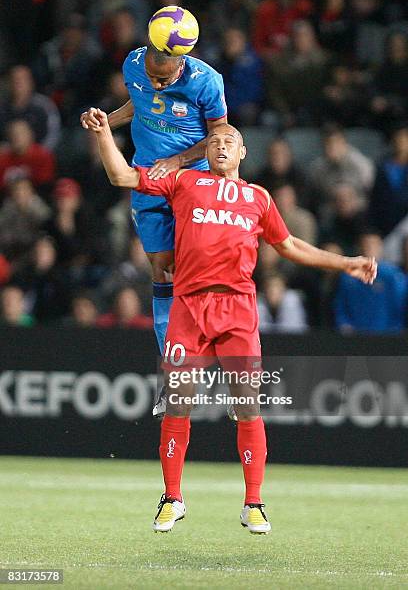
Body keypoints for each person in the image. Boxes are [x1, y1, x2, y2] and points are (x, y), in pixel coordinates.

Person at [91, 108, 377, 534]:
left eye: (230, 140)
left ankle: (254, 503)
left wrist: (346, 263)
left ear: (243, 151)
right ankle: (172, 497)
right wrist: (102, 134)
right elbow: (123, 177)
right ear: (206, 151)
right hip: (189, 307)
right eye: (215, 141)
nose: (221, 144)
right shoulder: (186, 181)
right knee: (177, 402)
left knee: (247, 405)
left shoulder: (258, 198)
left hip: (238, 310)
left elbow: (291, 245)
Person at [81, 7, 227, 411]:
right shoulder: (133, 64)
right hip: (149, 182)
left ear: (181, 62)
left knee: (199, 272)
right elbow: (139, 104)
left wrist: (179, 161)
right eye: (154, 75)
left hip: (194, 182)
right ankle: (175, 370)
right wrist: (106, 123)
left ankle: (229, 366)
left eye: (166, 78)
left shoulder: (206, 82)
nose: (158, 84)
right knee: (162, 271)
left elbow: (222, 135)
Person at [334, 231, 407, 333]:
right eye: (366, 244)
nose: (369, 248)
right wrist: (344, 325)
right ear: (359, 247)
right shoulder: (347, 276)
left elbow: (400, 309)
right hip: (355, 338)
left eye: (373, 245)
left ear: (381, 247)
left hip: (388, 337)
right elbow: (340, 306)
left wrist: (395, 331)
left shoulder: (394, 276)